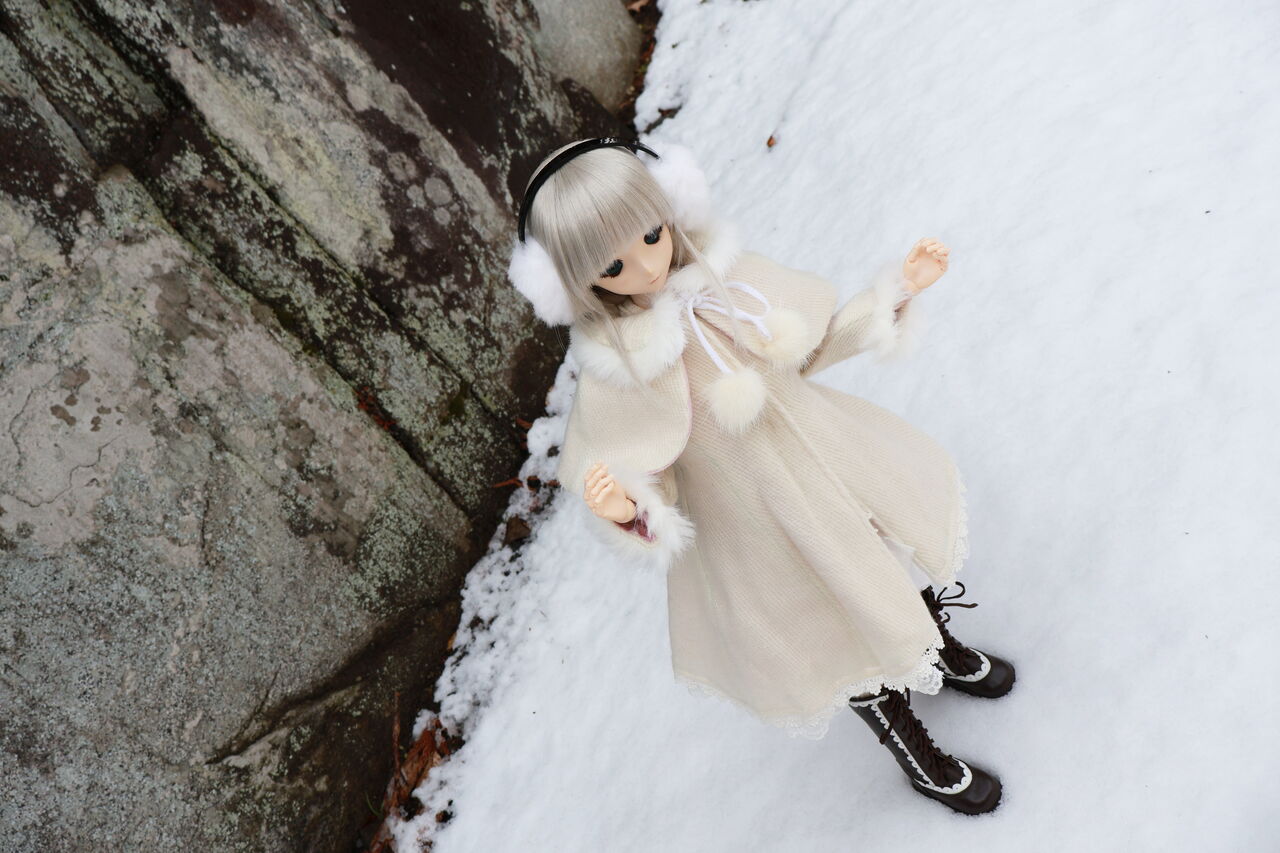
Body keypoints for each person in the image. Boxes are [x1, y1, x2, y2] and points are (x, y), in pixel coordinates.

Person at [506, 137, 1015, 815]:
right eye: (614, 265)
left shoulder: (730, 283)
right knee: (837, 630)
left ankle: (939, 650)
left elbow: (810, 347)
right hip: (761, 523)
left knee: (887, 558)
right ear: (574, 282)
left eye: (653, 233)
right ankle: (917, 756)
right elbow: (650, 475)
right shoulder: (621, 370)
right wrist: (629, 507)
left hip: (832, 460)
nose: (648, 263)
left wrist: (892, 295)